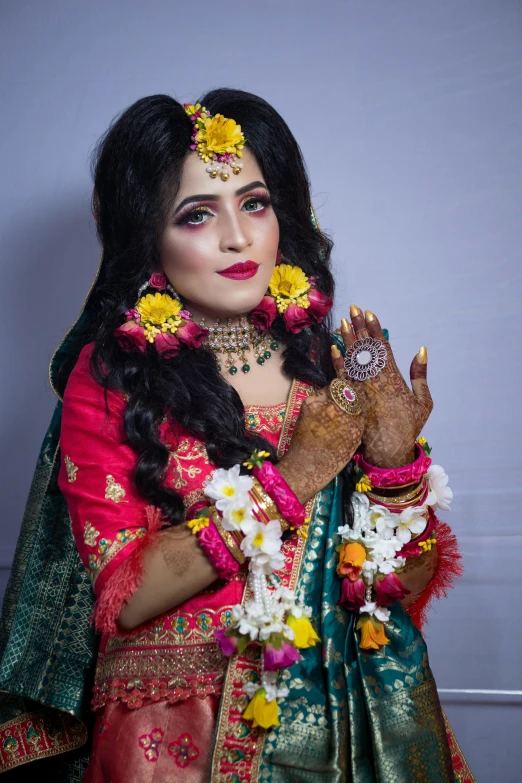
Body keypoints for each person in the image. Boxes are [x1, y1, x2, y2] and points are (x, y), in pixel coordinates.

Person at [0, 89, 475, 782]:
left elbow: (398, 587)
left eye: (255, 203)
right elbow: (124, 594)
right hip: (174, 737)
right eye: (197, 214)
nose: (238, 237)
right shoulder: (113, 378)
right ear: (147, 237)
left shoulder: (336, 360)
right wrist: (295, 475)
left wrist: (395, 461)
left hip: (341, 731)